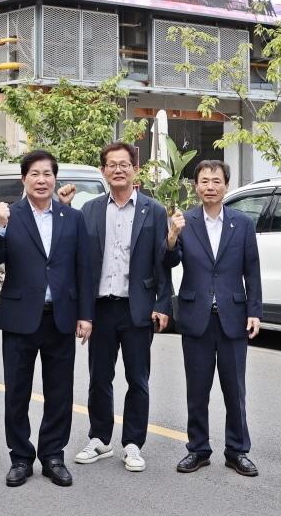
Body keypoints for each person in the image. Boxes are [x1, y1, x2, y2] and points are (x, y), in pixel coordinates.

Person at [0, 149, 95, 488]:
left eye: (47, 173)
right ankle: (20, 457)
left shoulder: (71, 218)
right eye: (35, 174)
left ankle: (53, 455)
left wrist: (86, 315)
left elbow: (83, 270)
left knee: (59, 392)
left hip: (60, 317)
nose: (42, 180)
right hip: (19, 317)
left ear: (54, 178)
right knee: (17, 392)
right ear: (24, 179)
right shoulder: (8, 215)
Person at [69, 143, 172, 472]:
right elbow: (81, 266)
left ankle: (132, 444)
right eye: (111, 165)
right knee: (99, 377)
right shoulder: (90, 210)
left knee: (138, 379)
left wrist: (162, 304)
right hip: (101, 307)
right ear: (103, 171)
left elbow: (163, 263)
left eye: (124, 164)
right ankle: (100, 438)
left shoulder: (153, 210)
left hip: (137, 307)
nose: (118, 170)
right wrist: (83, 313)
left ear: (134, 170)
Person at [165, 160, 260, 478]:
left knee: (235, 389)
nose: (210, 186)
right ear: (196, 186)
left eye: (216, 181)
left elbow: (252, 271)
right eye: (204, 181)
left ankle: (237, 451)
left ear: (226, 185)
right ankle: (198, 449)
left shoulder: (243, 223)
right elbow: (169, 260)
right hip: (196, 316)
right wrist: (172, 235)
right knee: (197, 388)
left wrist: (255, 312)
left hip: (233, 316)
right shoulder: (185, 221)